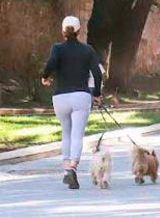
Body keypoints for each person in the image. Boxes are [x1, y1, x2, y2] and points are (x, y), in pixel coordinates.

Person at [41, 16, 103, 190]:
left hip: (60, 97)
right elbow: (97, 74)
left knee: (66, 133)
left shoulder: (57, 48)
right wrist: (96, 94)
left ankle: (66, 168)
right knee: (77, 134)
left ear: (63, 31)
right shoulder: (87, 50)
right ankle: (73, 168)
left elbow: (51, 63)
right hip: (81, 96)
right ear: (78, 31)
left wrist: (45, 77)